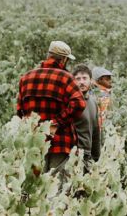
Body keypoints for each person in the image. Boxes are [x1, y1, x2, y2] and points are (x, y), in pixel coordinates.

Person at [16, 41, 85, 174]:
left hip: (33, 143)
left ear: (48, 56)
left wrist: (34, 127)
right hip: (60, 142)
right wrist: (56, 122)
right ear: (64, 59)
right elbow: (79, 104)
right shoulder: (66, 78)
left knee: (34, 187)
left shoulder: (26, 78)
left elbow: (20, 110)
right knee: (56, 187)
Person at [71, 65, 101, 161]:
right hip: (72, 155)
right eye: (78, 79)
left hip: (87, 156)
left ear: (91, 80)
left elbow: (96, 132)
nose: (81, 82)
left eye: (84, 78)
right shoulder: (69, 101)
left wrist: (96, 158)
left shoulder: (93, 102)